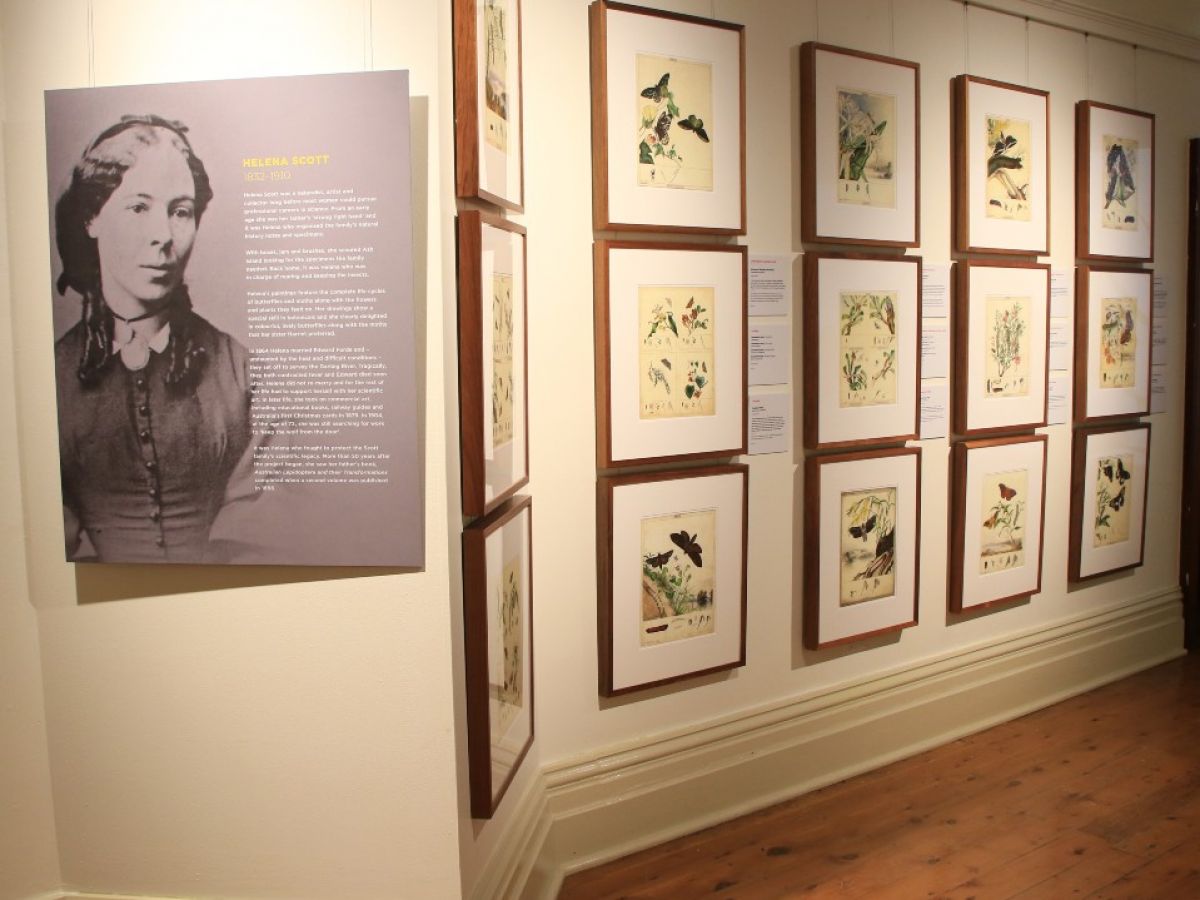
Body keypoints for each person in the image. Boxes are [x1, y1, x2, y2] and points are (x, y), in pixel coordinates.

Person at [53, 114, 255, 563]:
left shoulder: (240, 371)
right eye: (138, 207)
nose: (163, 236)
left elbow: (264, 524)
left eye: (180, 211)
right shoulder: (50, 377)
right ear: (92, 219)